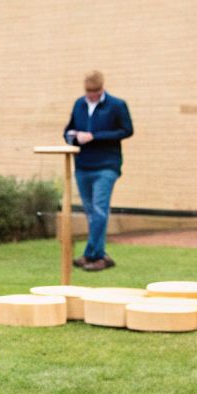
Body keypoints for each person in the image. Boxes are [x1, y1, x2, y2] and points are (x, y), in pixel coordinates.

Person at [63, 70, 133, 271]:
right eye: (88, 91)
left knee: (99, 210)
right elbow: (68, 129)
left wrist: (95, 136)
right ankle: (99, 255)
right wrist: (73, 136)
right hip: (83, 165)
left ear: (102, 89)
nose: (90, 95)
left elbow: (126, 130)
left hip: (106, 165)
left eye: (94, 91)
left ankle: (92, 254)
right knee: (91, 212)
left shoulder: (116, 105)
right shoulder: (79, 104)